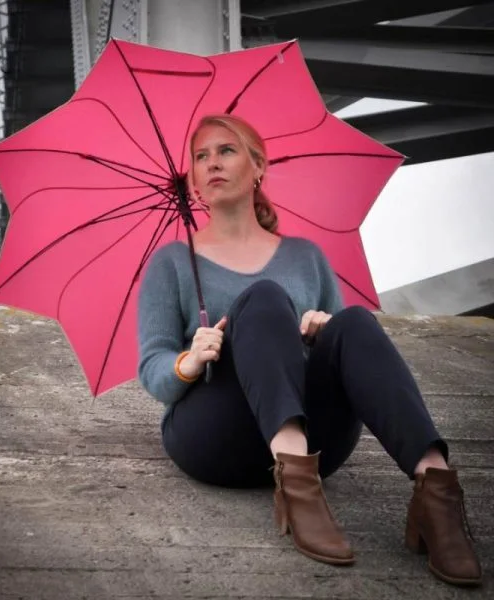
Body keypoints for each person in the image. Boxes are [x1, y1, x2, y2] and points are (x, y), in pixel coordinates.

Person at [136, 113, 481, 587]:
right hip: (215, 433)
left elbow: (350, 362)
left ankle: (437, 495)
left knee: (354, 322)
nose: (212, 162)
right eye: (201, 156)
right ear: (193, 178)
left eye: (226, 150)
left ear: (258, 166)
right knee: (263, 298)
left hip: (318, 437)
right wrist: (190, 359)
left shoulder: (306, 257)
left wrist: (323, 332)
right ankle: (297, 490)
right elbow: (153, 369)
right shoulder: (173, 263)